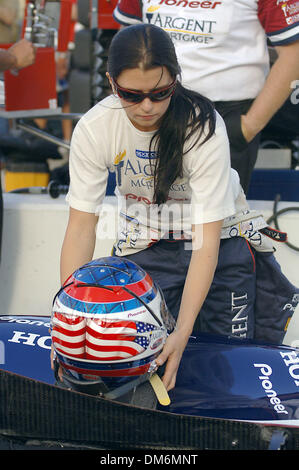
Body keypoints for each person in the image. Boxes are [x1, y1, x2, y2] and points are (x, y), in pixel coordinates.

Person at [60, 24, 299, 391]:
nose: (147, 106)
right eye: (131, 94)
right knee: (132, 365)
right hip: (146, 248)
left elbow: (206, 243)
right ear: (111, 83)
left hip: (220, 245)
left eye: (160, 92)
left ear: (176, 78)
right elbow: (81, 227)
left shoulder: (203, 126)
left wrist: (182, 332)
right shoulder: (95, 128)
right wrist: (67, 321)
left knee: (230, 370)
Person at [113, 0, 299, 195]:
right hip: (154, 108)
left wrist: (248, 126)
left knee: (219, 219)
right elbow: (125, 43)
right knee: (148, 216)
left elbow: (293, 54)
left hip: (227, 116)